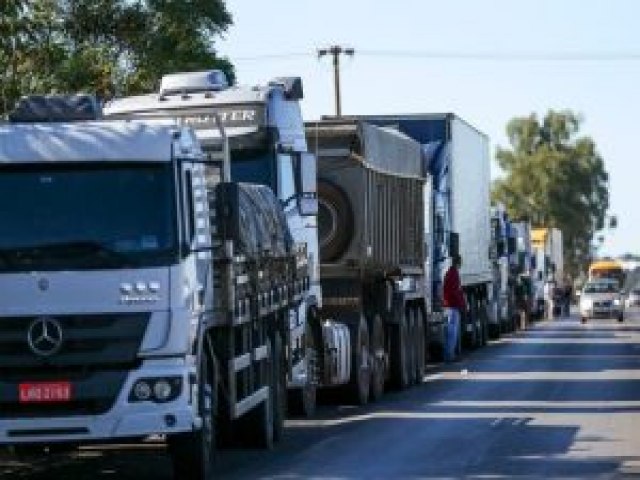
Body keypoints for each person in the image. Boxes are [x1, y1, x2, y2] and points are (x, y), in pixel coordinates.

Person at [443, 254, 465, 362]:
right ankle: (450, 355)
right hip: (453, 306)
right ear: (458, 263)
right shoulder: (454, 274)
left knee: (449, 332)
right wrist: (461, 304)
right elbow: (456, 291)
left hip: (448, 305)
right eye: (460, 262)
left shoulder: (449, 273)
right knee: (452, 332)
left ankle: (449, 354)